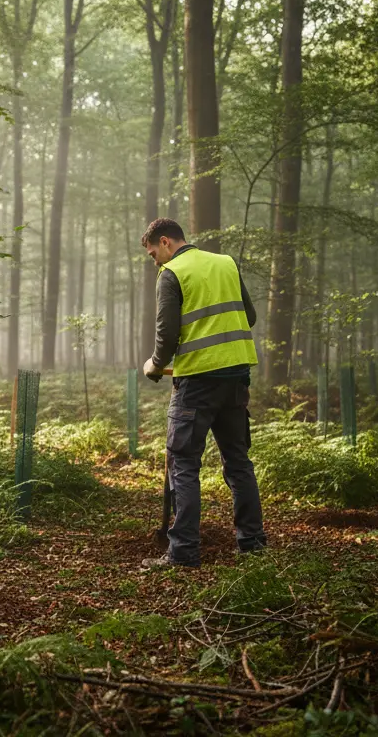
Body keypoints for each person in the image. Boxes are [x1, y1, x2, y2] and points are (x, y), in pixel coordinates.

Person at [139, 218, 267, 568]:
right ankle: (253, 545)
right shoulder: (225, 263)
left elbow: (166, 334)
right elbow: (250, 316)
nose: (155, 261)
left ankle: (183, 553)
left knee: (184, 464)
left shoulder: (172, 273)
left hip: (197, 382)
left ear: (165, 242)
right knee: (238, 461)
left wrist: (154, 365)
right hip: (237, 376)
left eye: (153, 254)